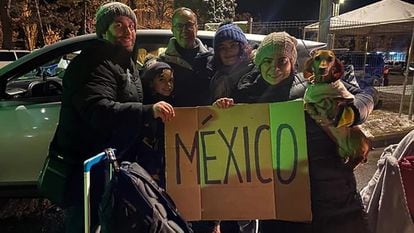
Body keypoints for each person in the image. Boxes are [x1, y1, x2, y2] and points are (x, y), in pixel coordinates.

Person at [214, 32, 374, 233]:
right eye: (267, 62)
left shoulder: (315, 83)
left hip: (331, 194)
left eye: (282, 61)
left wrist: (352, 113)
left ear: (292, 61)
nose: (275, 68)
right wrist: (224, 111)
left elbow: (366, 95)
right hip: (281, 204)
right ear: (259, 64)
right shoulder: (248, 94)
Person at [47, 2, 175, 232]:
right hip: (87, 167)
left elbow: (133, 100)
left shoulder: (125, 64)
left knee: (111, 220)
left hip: (111, 164)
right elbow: (98, 110)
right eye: (119, 26)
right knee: (86, 222)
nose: (128, 32)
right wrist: (148, 111)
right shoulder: (92, 63)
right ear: (103, 31)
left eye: (131, 26)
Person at [159, 7, 214, 107]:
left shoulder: (211, 58)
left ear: (196, 28)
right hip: (175, 119)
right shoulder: (162, 63)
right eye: (179, 26)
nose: (184, 30)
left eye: (189, 25)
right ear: (172, 30)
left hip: (209, 119)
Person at [138, 56, 174, 188]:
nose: (168, 85)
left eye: (171, 80)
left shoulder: (173, 103)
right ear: (151, 82)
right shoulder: (146, 107)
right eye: (162, 80)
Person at [210, 21, 254, 102]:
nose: (228, 51)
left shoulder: (255, 73)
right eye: (222, 47)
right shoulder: (216, 77)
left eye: (233, 45)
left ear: (242, 47)